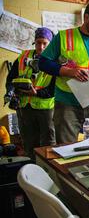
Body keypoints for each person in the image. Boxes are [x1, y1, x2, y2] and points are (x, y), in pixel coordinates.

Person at [39, 1, 89, 144]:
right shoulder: (64, 37)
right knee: (66, 147)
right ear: (87, 18)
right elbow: (43, 63)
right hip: (67, 104)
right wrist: (68, 72)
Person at [5, 27, 56, 159]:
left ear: (50, 43)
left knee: (48, 143)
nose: (41, 47)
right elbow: (11, 78)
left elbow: (54, 89)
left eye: (45, 43)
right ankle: (31, 170)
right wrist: (10, 92)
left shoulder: (55, 61)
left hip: (45, 109)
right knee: (28, 142)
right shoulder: (24, 57)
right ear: (34, 42)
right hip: (24, 108)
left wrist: (36, 93)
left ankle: (47, 171)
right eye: (38, 43)